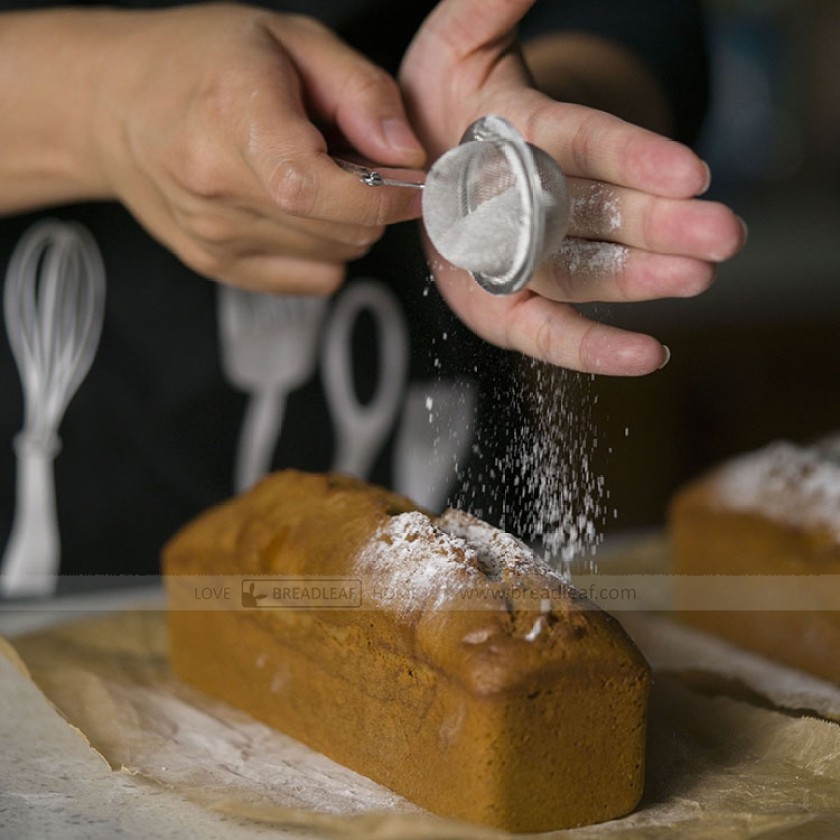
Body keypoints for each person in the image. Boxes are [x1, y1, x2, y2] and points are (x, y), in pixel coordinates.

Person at [0, 0, 746, 591]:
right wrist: (101, 102)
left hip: (437, 409)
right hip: (49, 519)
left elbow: (643, 21)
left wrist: (544, 126)